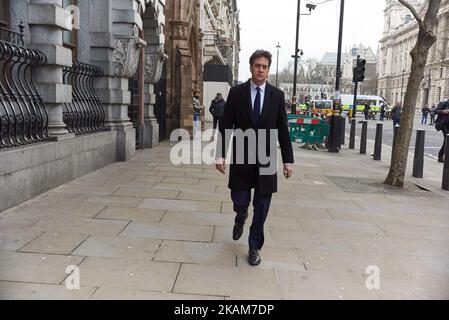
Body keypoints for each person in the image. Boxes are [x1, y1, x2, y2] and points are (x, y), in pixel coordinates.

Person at [215, 50, 294, 267]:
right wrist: (220, 154)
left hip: (267, 157)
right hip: (241, 151)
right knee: (240, 199)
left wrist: (288, 160)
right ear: (251, 67)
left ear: (268, 69)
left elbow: (283, 130)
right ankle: (240, 216)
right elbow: (226, 125)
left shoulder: (276, 95)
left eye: (265, 66)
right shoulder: (237, 92)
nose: (261, 69)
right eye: (257, 65)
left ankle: (254, 246)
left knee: (262, 206)